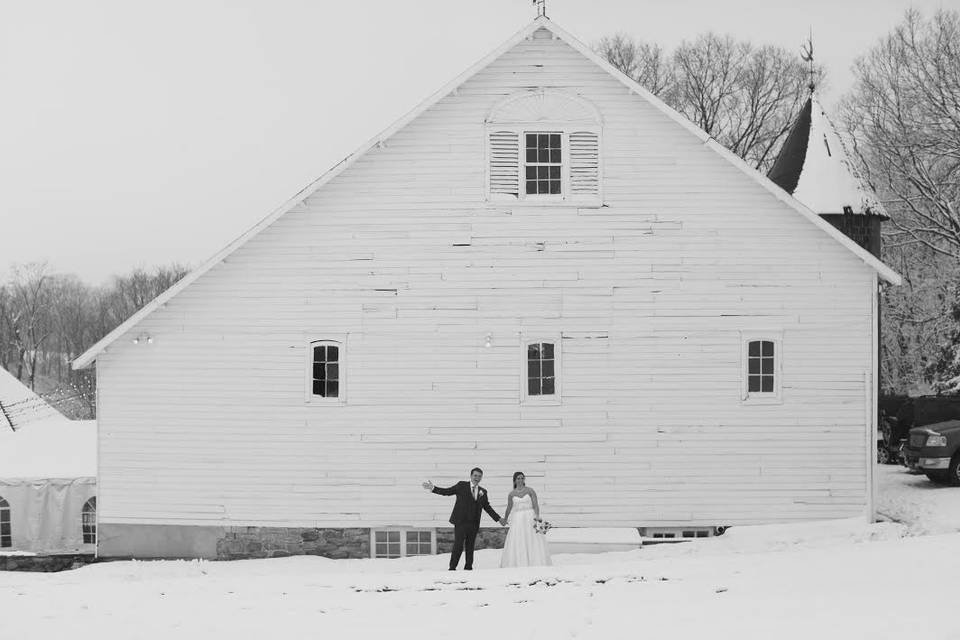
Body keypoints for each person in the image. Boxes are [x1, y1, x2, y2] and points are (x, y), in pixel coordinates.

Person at [423, 467, 505, 570]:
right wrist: (433, 488)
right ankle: (452, 567)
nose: (477, 478)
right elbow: (447, 491)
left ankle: (468, 567)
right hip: (460, 521)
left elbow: (487, 508)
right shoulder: (462, 485)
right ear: (471, 476)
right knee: (458, 545)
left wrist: (498, 518)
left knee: (470, 546)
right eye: (475, 475)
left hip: (474, 523)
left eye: (479, 476)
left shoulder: (483, 491)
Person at [500, 471, 551, 568]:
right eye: (518, 478)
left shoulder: (530, 490)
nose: (520, 480)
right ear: (514, 480)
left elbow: (536, 505)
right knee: (519, 539)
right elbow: (509, 507)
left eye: (522, 478)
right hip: (518, 519)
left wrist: (537, 516)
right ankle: (519, 562)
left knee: (532, 539)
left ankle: (535, 562)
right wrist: (505, 518)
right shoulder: (511, 494)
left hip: (530, 517)